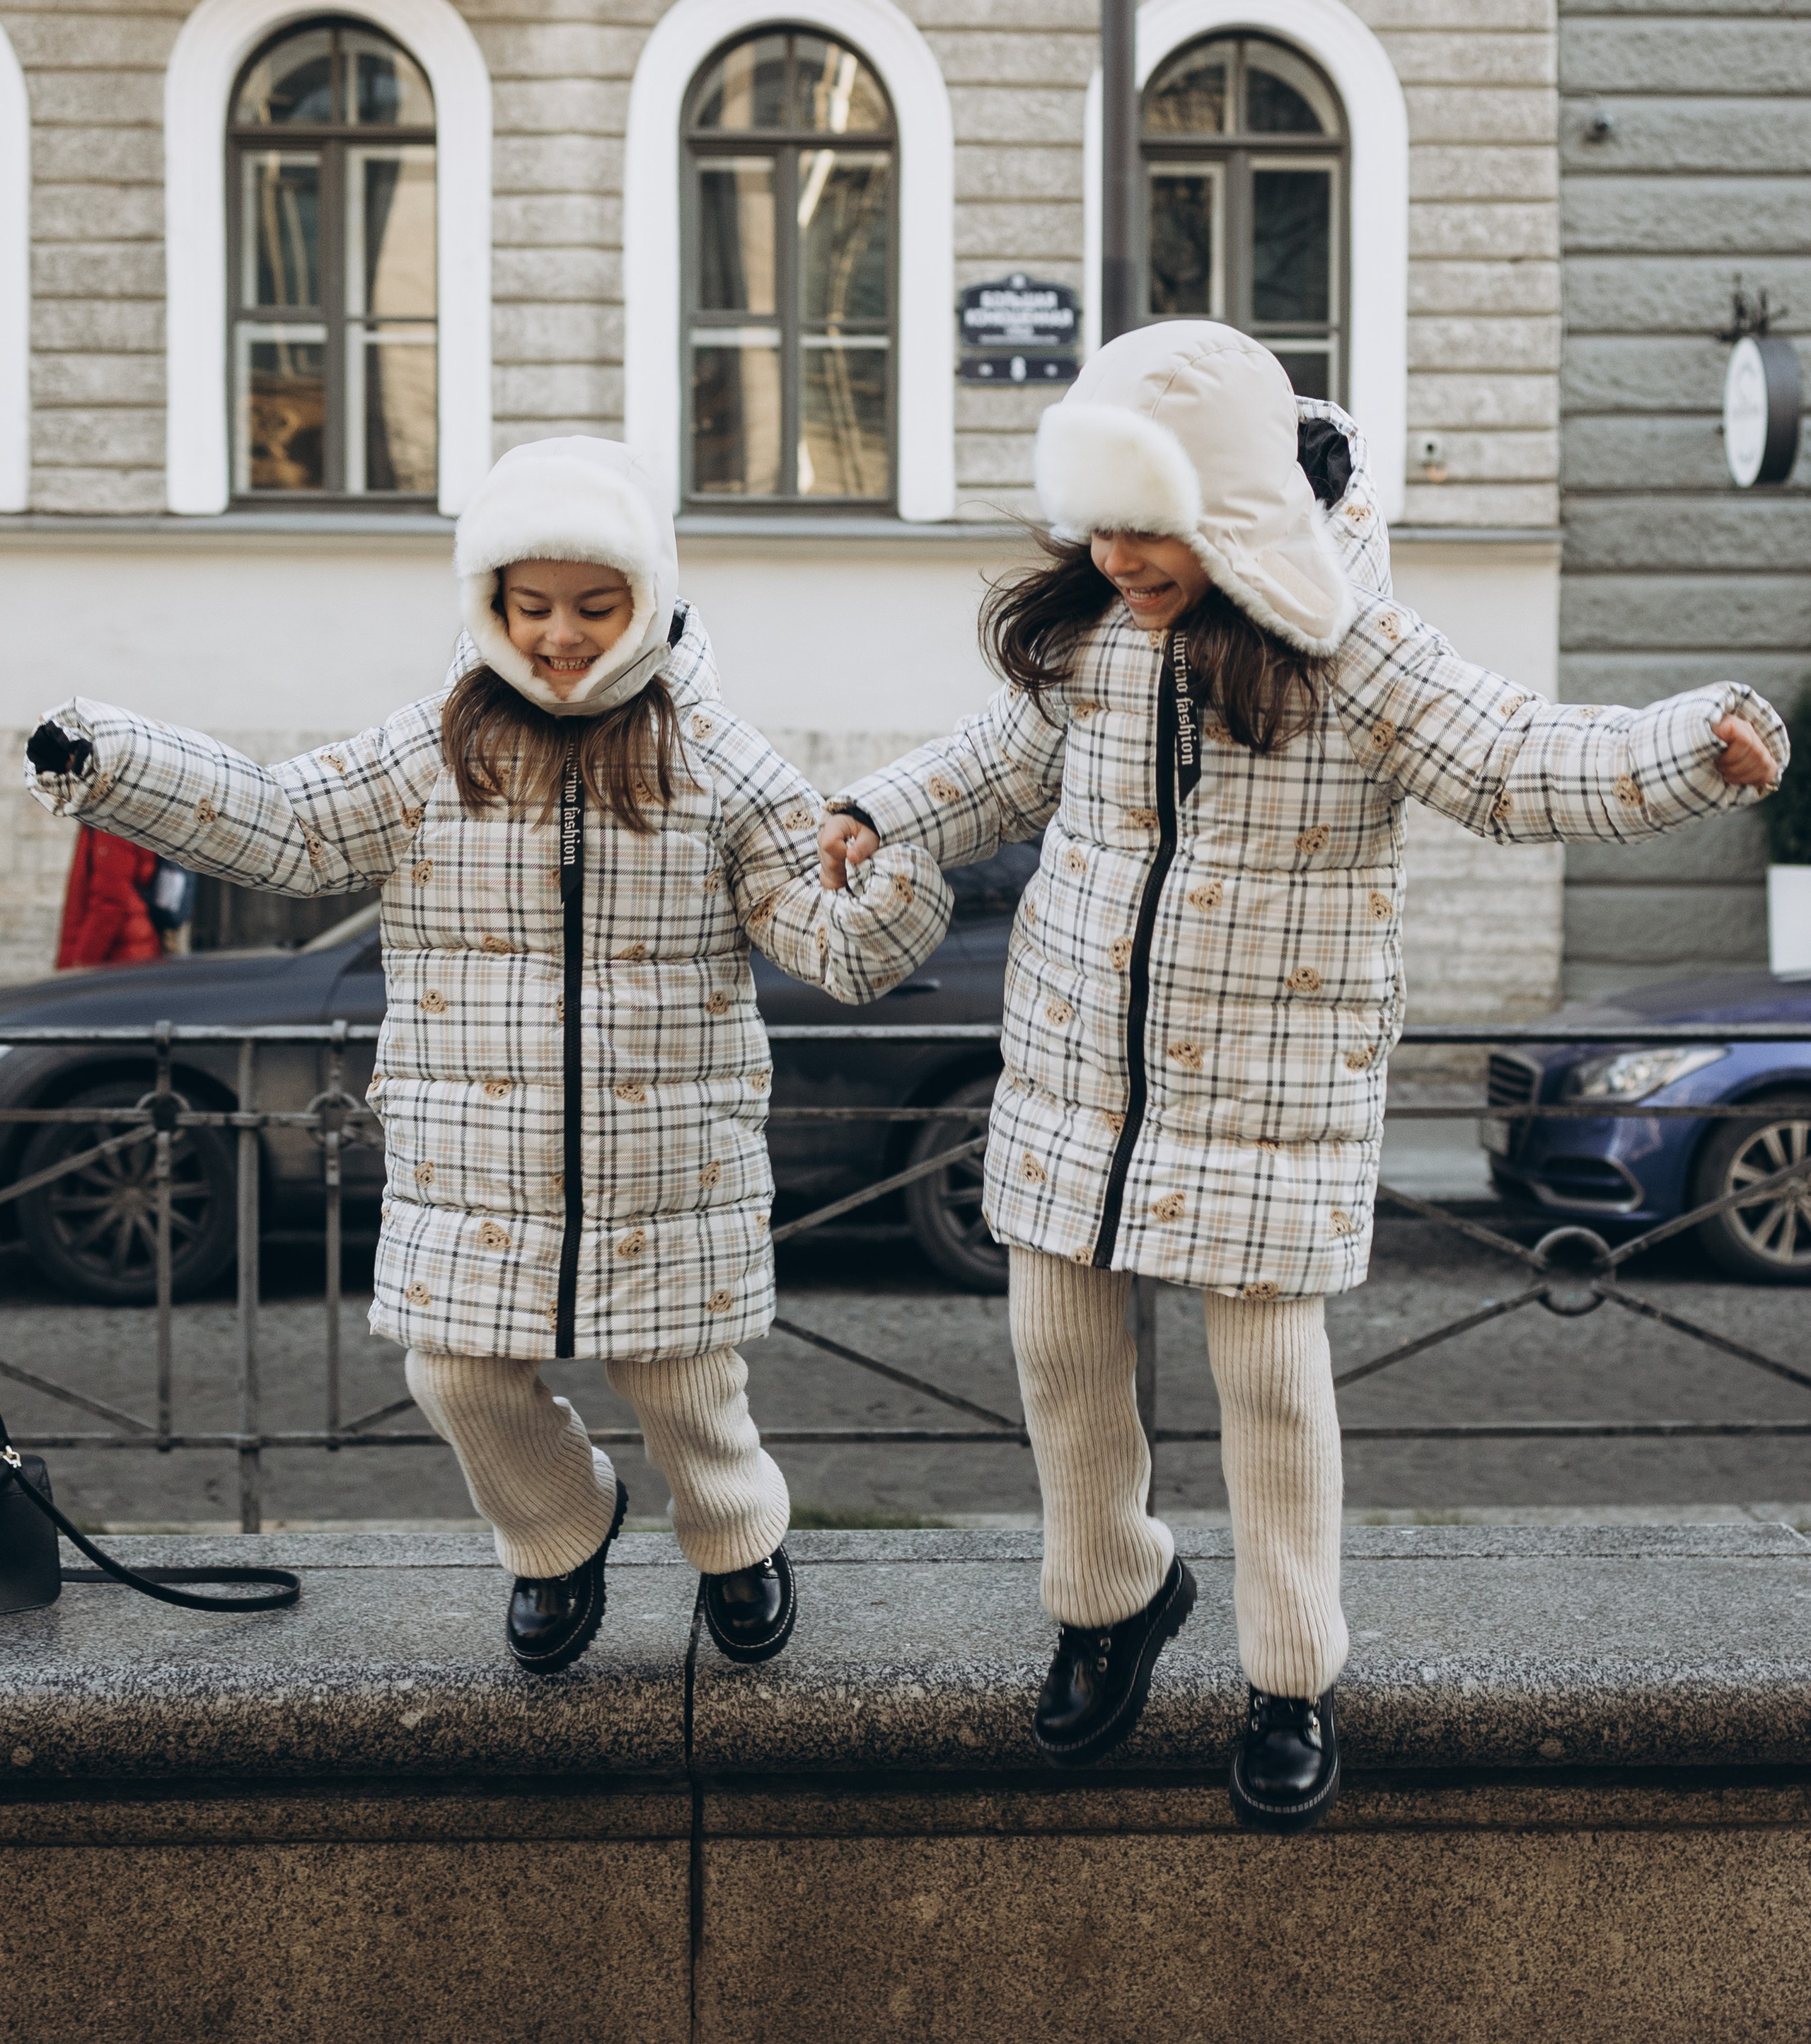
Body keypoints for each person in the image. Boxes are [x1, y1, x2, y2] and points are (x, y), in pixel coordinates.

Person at [818, 321, 1786, 1829]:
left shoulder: (1351, 648)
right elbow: (998, 764)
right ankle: (1108, 1595)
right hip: (1080, 1061)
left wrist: (1682, 748)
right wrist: (876, 811)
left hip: (1273, 1079)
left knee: (1266, 1382)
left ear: (1234, 509)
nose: (1119, 553)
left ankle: (1287, 1674)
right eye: (1102, 522)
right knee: (1058, 1351)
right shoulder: (1094, 636)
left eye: (1150, 525)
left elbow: (1511, 758)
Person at [25, 437, 946, 1675]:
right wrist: (115, 763)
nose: (561, 635)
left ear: (651, 600)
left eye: (595, 606)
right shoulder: (434, 747)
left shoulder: (713, 757)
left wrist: (893, 890)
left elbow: (828, 945)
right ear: (490, 604)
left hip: (664, 1158)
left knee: (681, 1386)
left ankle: (735, 1537)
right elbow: (288, 828)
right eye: (532, 606)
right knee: (456, 1373)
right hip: (476, 1153)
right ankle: (558, 1530)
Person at [54, 826, 163, 971]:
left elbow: (109, 903)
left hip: (120, 955)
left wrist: (81, 964)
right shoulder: (106, 819)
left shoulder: (109, 821)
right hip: (127, 950)